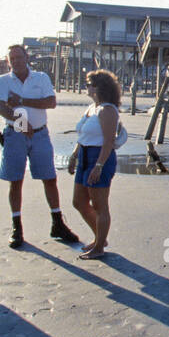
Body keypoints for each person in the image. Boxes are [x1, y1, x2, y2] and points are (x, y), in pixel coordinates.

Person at [0, 44, 77, 249]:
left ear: (26, 57)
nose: (16, 61)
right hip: (14, 135)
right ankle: (17, 227)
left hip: (40, 134)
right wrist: (22, 124)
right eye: (12, 58)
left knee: (50, 178)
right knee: (16, 181)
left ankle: (57, 223)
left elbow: (51, 102)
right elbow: (0, 107)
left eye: (19, 57)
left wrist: (22, 100)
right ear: (8, 61)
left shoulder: (41, 78)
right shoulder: (3, 81)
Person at [67, 69, 121, 260]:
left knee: (100, 205)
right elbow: (83, 136)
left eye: (89, 84)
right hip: (84, 155)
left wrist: (98, 166)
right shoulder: (92, 108)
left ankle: (99, 247)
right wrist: (74, 156)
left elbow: (108, 142)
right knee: (79, 202)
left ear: (99, 87)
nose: (86, 87)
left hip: (100, 157)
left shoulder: (108, 110)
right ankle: (100, 238)